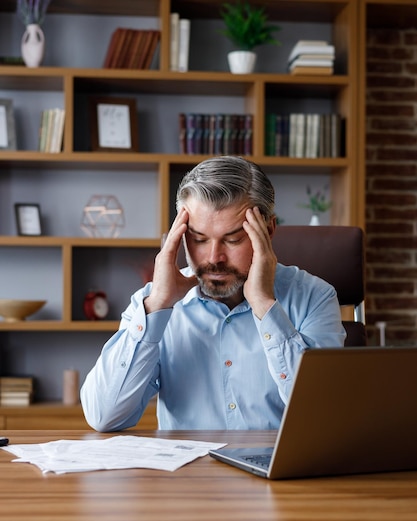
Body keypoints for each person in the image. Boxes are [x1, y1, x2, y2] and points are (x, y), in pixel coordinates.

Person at [81, 156, 345, 432]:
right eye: (199, 239)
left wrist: (265, 306)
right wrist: (157, 305)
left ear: (267, 231)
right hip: (189, 472)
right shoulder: (154, 302)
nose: (214, 257)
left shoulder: (315, 297)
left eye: (232, 240)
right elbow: (104, 417)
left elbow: (321, 417)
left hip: (277, 471)